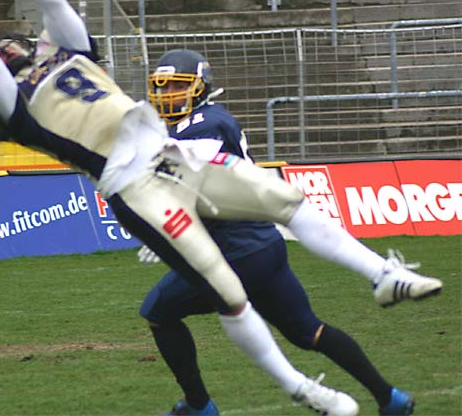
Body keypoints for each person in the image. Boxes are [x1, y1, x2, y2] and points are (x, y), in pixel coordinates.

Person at [0, 0, 441, 416]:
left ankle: (382, 277)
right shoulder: (16, 110)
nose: (6, 47)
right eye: (2, 53)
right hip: (138, 186)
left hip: (168, 160)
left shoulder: (68, 57)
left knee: (288, 202)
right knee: (232, 295)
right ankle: (306, 389)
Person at [139, 49, 422, 416]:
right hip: (263, 244)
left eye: (177, 86)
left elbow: (187, 179)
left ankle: (199, 407)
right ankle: (390, 397)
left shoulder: (202, 124)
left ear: (201, 86)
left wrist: (165, 215)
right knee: (309, 332)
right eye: (162, 87)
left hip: (231, 251)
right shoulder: (205, 120)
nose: (168, 95)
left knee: (158, 311)